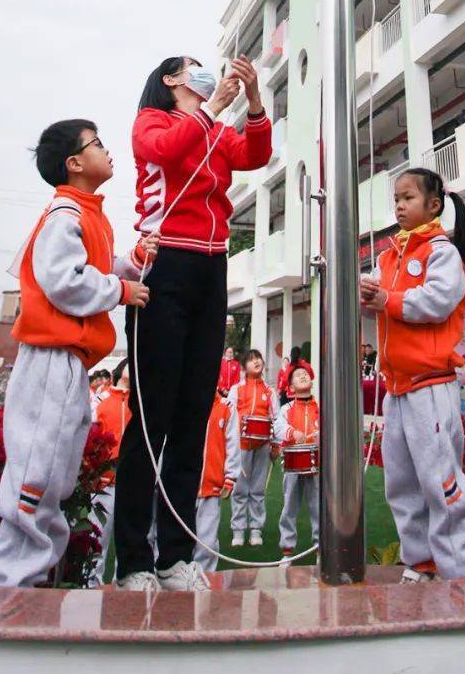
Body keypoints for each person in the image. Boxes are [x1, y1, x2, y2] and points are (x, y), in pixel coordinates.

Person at [114, 55, 271, 593]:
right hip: (165, 266)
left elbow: (255, 152)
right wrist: (217, 108)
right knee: (150, 417)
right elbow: (166, 150)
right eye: (194, 69)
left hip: (212, 266)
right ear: (170, 80)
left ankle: (175, 557)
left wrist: (252, 100)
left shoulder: (214, 128)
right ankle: (133, 559)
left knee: (193, 416)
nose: (206, 76)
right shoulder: (153, 123)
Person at [0, 120, 154, 589]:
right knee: (35, 478)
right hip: (50, 360)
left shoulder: (87, 214)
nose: (108, 149)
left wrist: (131, 263)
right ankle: (12, 588)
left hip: (69, 363)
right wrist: (122, 288)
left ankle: (31, 581)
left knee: (55, 478)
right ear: (75, 164)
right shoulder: (65, 214)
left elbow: (92, 269)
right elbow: (64, 282)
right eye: (97, 143)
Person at [361, 166, 465, 583]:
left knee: (440, 480)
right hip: (396, 387)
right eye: (396, 198)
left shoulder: (441, 252)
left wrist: (385, 300)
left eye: (408, 197)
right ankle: (420, 561)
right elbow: (380, 292)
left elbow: (436, 302)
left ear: (433, 206)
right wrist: (367, 290)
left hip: (431, 386)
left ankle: (458, 568)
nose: (399, 204)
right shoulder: (389, 255)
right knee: (400, 482)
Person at [229, 349, 278, 547]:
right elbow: (230, 415)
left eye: (258, 358)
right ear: (244, 367)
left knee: (258, 488)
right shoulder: (237, 389)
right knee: (239, 488)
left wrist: (275, 444)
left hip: (263, 444)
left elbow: (275, 419)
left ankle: (256, 529)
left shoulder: (270, 391)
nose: (256, 361)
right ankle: (238, 530)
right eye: (250, 360)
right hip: (241, 443)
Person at [91, 361, 131, 586]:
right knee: (98, 538)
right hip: (104, 484)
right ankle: (91, 583)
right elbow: (90, 437)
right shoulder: (100, 400)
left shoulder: (141, 403)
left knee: (130, 539)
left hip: (132, 483)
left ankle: (124, 583)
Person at [194, 385, 241, 571]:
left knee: (206, 541)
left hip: (211, 486)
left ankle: (206, 579)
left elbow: (233, 444)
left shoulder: (226, 407)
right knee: (176, 538)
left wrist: (230, 476)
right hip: (181, 486)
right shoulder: (181, 402)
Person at [275, 366, 319, 561]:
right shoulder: (286, 409)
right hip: (293, 464)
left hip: (317, 463)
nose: (302, 376)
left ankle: (320, 547)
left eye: (305, 374)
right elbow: (278, 427)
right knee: (289, 506)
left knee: (318, 506)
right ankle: (287, 549)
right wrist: (292, 433)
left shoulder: (320, 407)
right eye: (297, 376)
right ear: (291, 386)